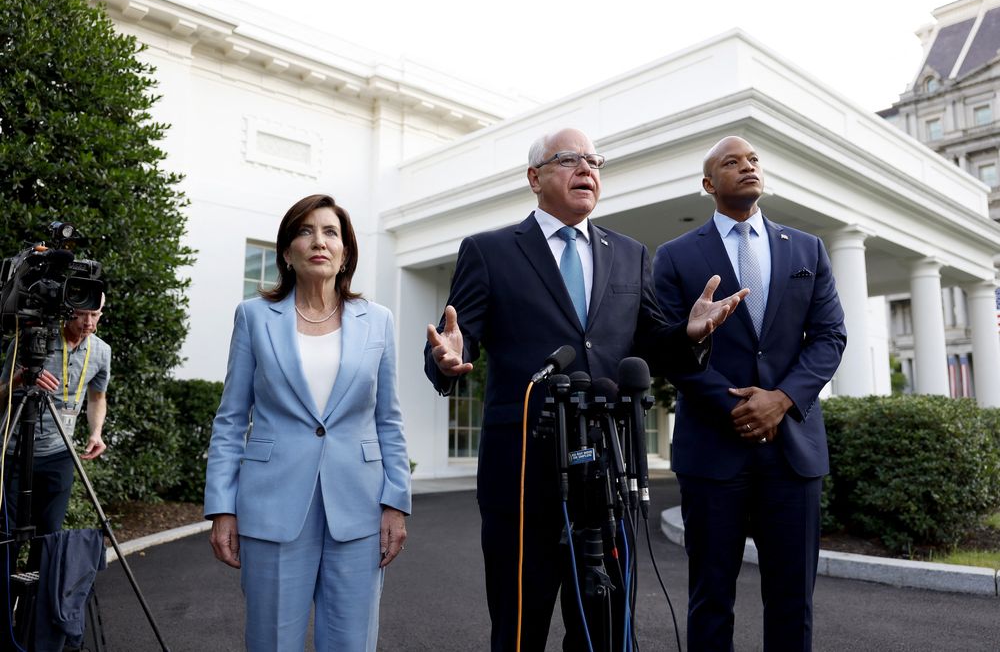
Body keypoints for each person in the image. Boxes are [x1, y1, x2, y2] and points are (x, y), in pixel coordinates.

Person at [424, 128, 747, 651]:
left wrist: (688, 334)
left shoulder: (629, 253)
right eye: (569, 159)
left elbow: (653, 342)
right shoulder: (489, 251)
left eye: (594, 161)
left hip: (608, 472)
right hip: (523, 472)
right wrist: (447, 357)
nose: (587, 169)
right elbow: (455, 338)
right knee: (518, 627)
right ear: (535, 178)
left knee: (604, 629)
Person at [652, 136, 847, 651]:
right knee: (711, 598)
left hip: (793, 454)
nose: (746, 166)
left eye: (754, 160)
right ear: (708, 184)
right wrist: (740, 406)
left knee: (792, 600)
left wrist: (780, 399)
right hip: (714, 452)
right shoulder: (674, 256)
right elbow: (666, 348)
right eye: (731, 162)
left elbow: (830, 337)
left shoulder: (807, 249)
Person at [204, 194, 411, 651]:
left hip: (359, 508)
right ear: (286, 252)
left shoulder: (377, 321)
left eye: (330, 232)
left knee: (351, 642)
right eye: (305, 231)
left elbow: (388, 420)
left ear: (345, 253)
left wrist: (396, 502)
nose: (318, 241)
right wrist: (222, 506)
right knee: (272, 642)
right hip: (271, 506)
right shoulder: (253, 317)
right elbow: (231, 419)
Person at [0, 296, 110, 647]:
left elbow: (97, 397)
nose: (89, 322)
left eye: (96, 314)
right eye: (83, 315)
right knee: (4, 541)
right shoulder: (32, 341)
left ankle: (37, 627)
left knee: (48, 540)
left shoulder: (102, 352)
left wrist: (96, 432)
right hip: (15, 450)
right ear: (68, 311)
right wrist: (19, 380)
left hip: (60, 454)